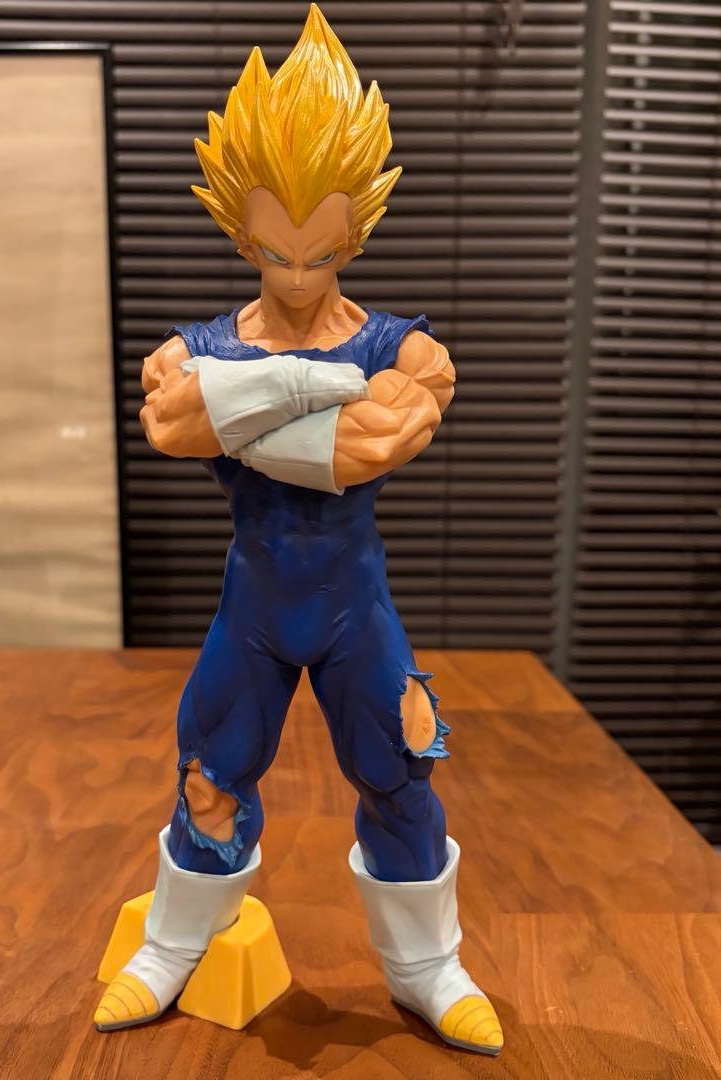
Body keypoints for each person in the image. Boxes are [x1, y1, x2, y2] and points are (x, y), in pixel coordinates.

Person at [94, 4, 503, 1056]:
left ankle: (426, 965)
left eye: (320, 254)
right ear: (240, 236)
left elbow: (366, 447)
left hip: (353, 606)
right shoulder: (190, 352)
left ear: (355, 236)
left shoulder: (406, 350)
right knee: (209, 772)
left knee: (400, 768)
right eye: (273, 252)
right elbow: (173, 423)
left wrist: (241, 399)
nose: (295, 276)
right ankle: (174, 944)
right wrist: (309, 387)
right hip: (257, 606)